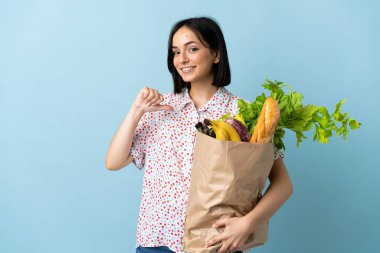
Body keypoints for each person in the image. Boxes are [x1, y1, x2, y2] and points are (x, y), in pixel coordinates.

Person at [105, 17, 293, 253]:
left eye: (192, 49)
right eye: (176, 52)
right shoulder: (160, 109)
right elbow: (113, 162)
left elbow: (283, 184)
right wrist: (136, 111)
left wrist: (248, 223)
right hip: (156, 243)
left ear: (216, 54)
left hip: (215, 244)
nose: (182, 59)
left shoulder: (243, 112)